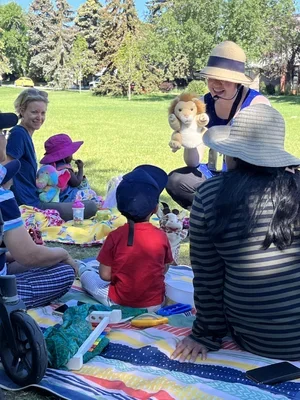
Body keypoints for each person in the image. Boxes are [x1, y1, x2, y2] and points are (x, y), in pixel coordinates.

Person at [171, 104, 300, 362]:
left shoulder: (210, 194)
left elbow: (208, 276)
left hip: (256, 338)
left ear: (232, 154)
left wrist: (205, 334)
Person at [166, 41, 270, 209]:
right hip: (213, 174)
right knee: (176, 181)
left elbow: (264, 157)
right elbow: (193, 163)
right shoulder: (201, 105)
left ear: (237, 81)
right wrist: (189, 136)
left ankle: (220, 212)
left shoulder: (257, 104)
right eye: (211, 78)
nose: (215, 85)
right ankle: (212, 213)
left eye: (223, 80)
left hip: (247, 176)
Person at [0, 112, 77, 309]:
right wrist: (63, 254)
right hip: (2, 296)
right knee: (63, 271)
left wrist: (10, 254)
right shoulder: (2, 197)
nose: (4, 138)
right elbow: (30, 255)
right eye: (2, 132)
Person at [80, 165, 173, 310]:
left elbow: (104, 275)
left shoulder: (115, 236)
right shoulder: (161, 236)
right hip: (155, 304)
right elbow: (164, 268)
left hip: (119, 302)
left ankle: (80, 268)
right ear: (155, 209)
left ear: (120, 208)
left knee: (87, 277)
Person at [5, 89, 98, 221]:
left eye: (43, 113)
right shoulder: (18, 134)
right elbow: (5, 168)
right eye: (34, 112)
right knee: (91, 207)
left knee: (87, 204)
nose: (39, 117)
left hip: (33, 198)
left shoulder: (24, 134)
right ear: (21, 111)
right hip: (30, 205)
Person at [40, 133, 103, 206]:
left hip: (55, 197)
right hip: (68, 198)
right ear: (64, 156)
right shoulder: (65, 169)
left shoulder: (49, 167)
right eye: (70, 154)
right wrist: (80, 169)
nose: (72, 156)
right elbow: (76, 183)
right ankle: (96, 205)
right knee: (91, 193)